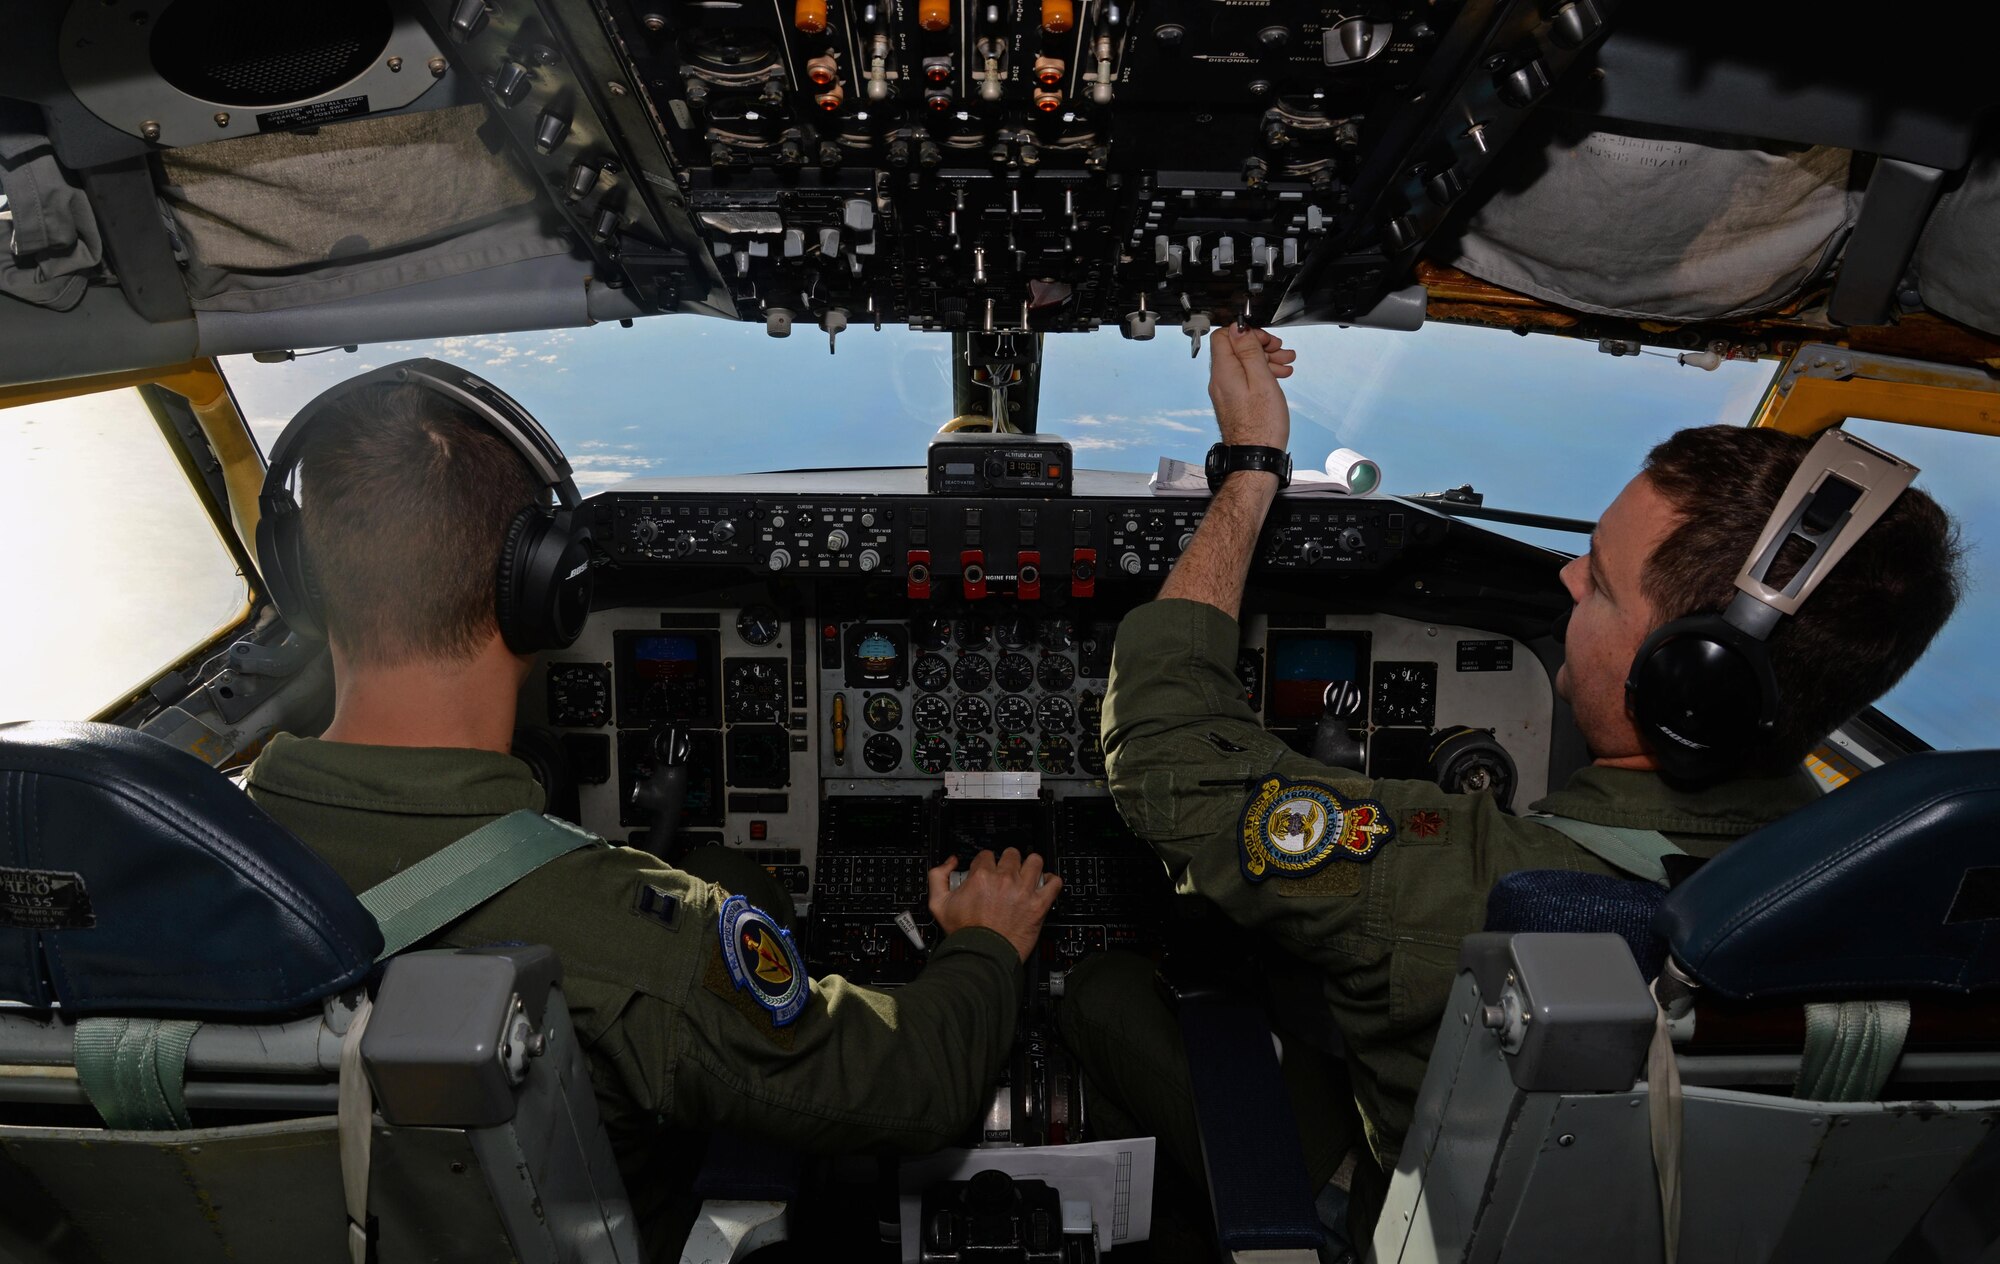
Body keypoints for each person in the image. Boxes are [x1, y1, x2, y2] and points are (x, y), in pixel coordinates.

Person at [1056, 328, 1963, 1250]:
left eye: (1600, 583)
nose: (1564, 577)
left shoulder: (1488, 888)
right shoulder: (1917, 909)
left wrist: (1252, 465)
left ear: (1694, 682)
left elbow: (1171, 759)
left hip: (1412, 1214)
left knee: (1105, 988)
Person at [241, 376, 1061, 1257]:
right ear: (542, 584)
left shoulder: (174, 855)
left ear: (298, 577)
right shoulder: (630, 940)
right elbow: (912, 1086)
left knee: (735, 879)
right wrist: (986, 944)